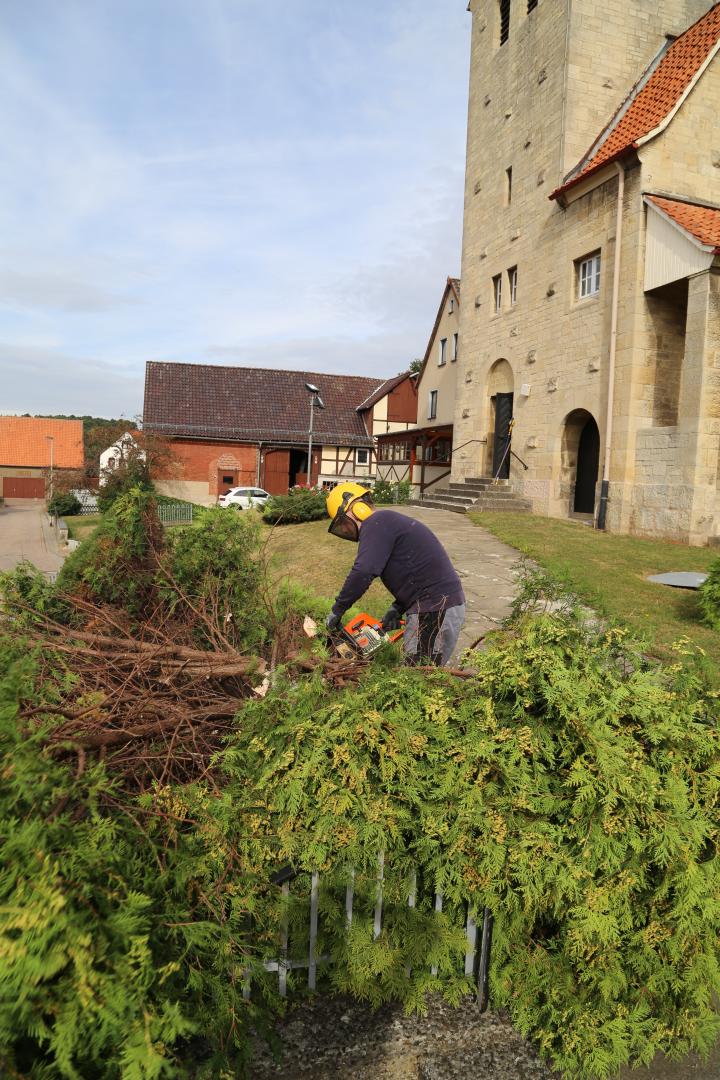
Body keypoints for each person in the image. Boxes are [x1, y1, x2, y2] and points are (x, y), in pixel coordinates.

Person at [325, 482, 465, 666]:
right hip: (435, 604)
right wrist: (398, 607)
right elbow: (416, 570)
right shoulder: (385, 523)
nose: (344, 529)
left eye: (343, 522)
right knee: (419, 672)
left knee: (417, 676)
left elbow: (364, 571)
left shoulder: (376, 523)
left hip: (435, 608)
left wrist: (338, 609)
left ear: (358, 508)